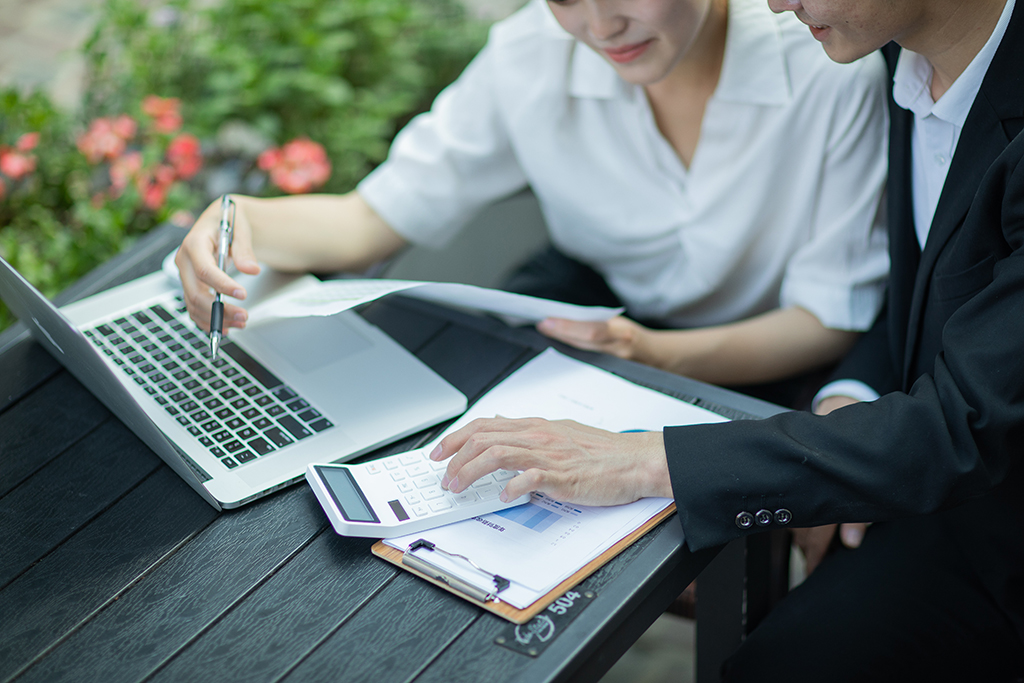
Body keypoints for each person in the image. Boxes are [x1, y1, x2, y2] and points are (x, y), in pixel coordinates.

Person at [430, 0, 1024, 679]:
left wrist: (645, 461)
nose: (773, 2)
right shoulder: (897, 57)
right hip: (937, 498)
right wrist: (846, 402)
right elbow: (927, 290)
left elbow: (963, 427)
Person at [176, 0, 890, 402]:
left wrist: (651, 353)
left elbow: (827, 316)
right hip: (609, 325)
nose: (601, 27)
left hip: (775, 362)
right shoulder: (528, 59)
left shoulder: (828, 65)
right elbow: (371, 219)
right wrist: (240, 219)